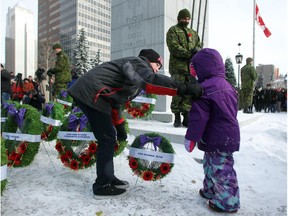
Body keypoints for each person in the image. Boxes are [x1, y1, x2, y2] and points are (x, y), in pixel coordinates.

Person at [67, 49, 202, 198]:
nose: (158, 69)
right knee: (107, 138)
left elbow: (115, 101)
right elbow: (151, 82)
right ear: (149, 61)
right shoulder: (136, 63)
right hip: (91, 92)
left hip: (95, 94)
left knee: (108, 137)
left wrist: (119, 124)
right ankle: (102, 186)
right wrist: (184, 88)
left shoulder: (132, 74)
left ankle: (108, 178)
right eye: (157, 65)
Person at [184, 48, 240, 213]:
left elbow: (198, 117)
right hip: (223, 135)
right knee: (210, 165)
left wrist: (191, 138)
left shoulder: (204, 89)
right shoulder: (227, 85)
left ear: (203, 67)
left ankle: (228, 202)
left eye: (195, 67)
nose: (193, 72)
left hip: (218, 136)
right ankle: (210, 190)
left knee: (222, 170)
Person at [166, 8, 202, 127]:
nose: (186, 20)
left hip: (191, 69)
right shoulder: (173, 30)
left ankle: (186, 115)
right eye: (184, 18)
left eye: (188, 19)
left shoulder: (193, 32)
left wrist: (197, 51)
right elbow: (174, 47)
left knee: (189, 92)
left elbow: (199, 45)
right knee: (178, 91)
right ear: (178, 18)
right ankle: (176, 115)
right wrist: (189, 53)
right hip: (178, 67)